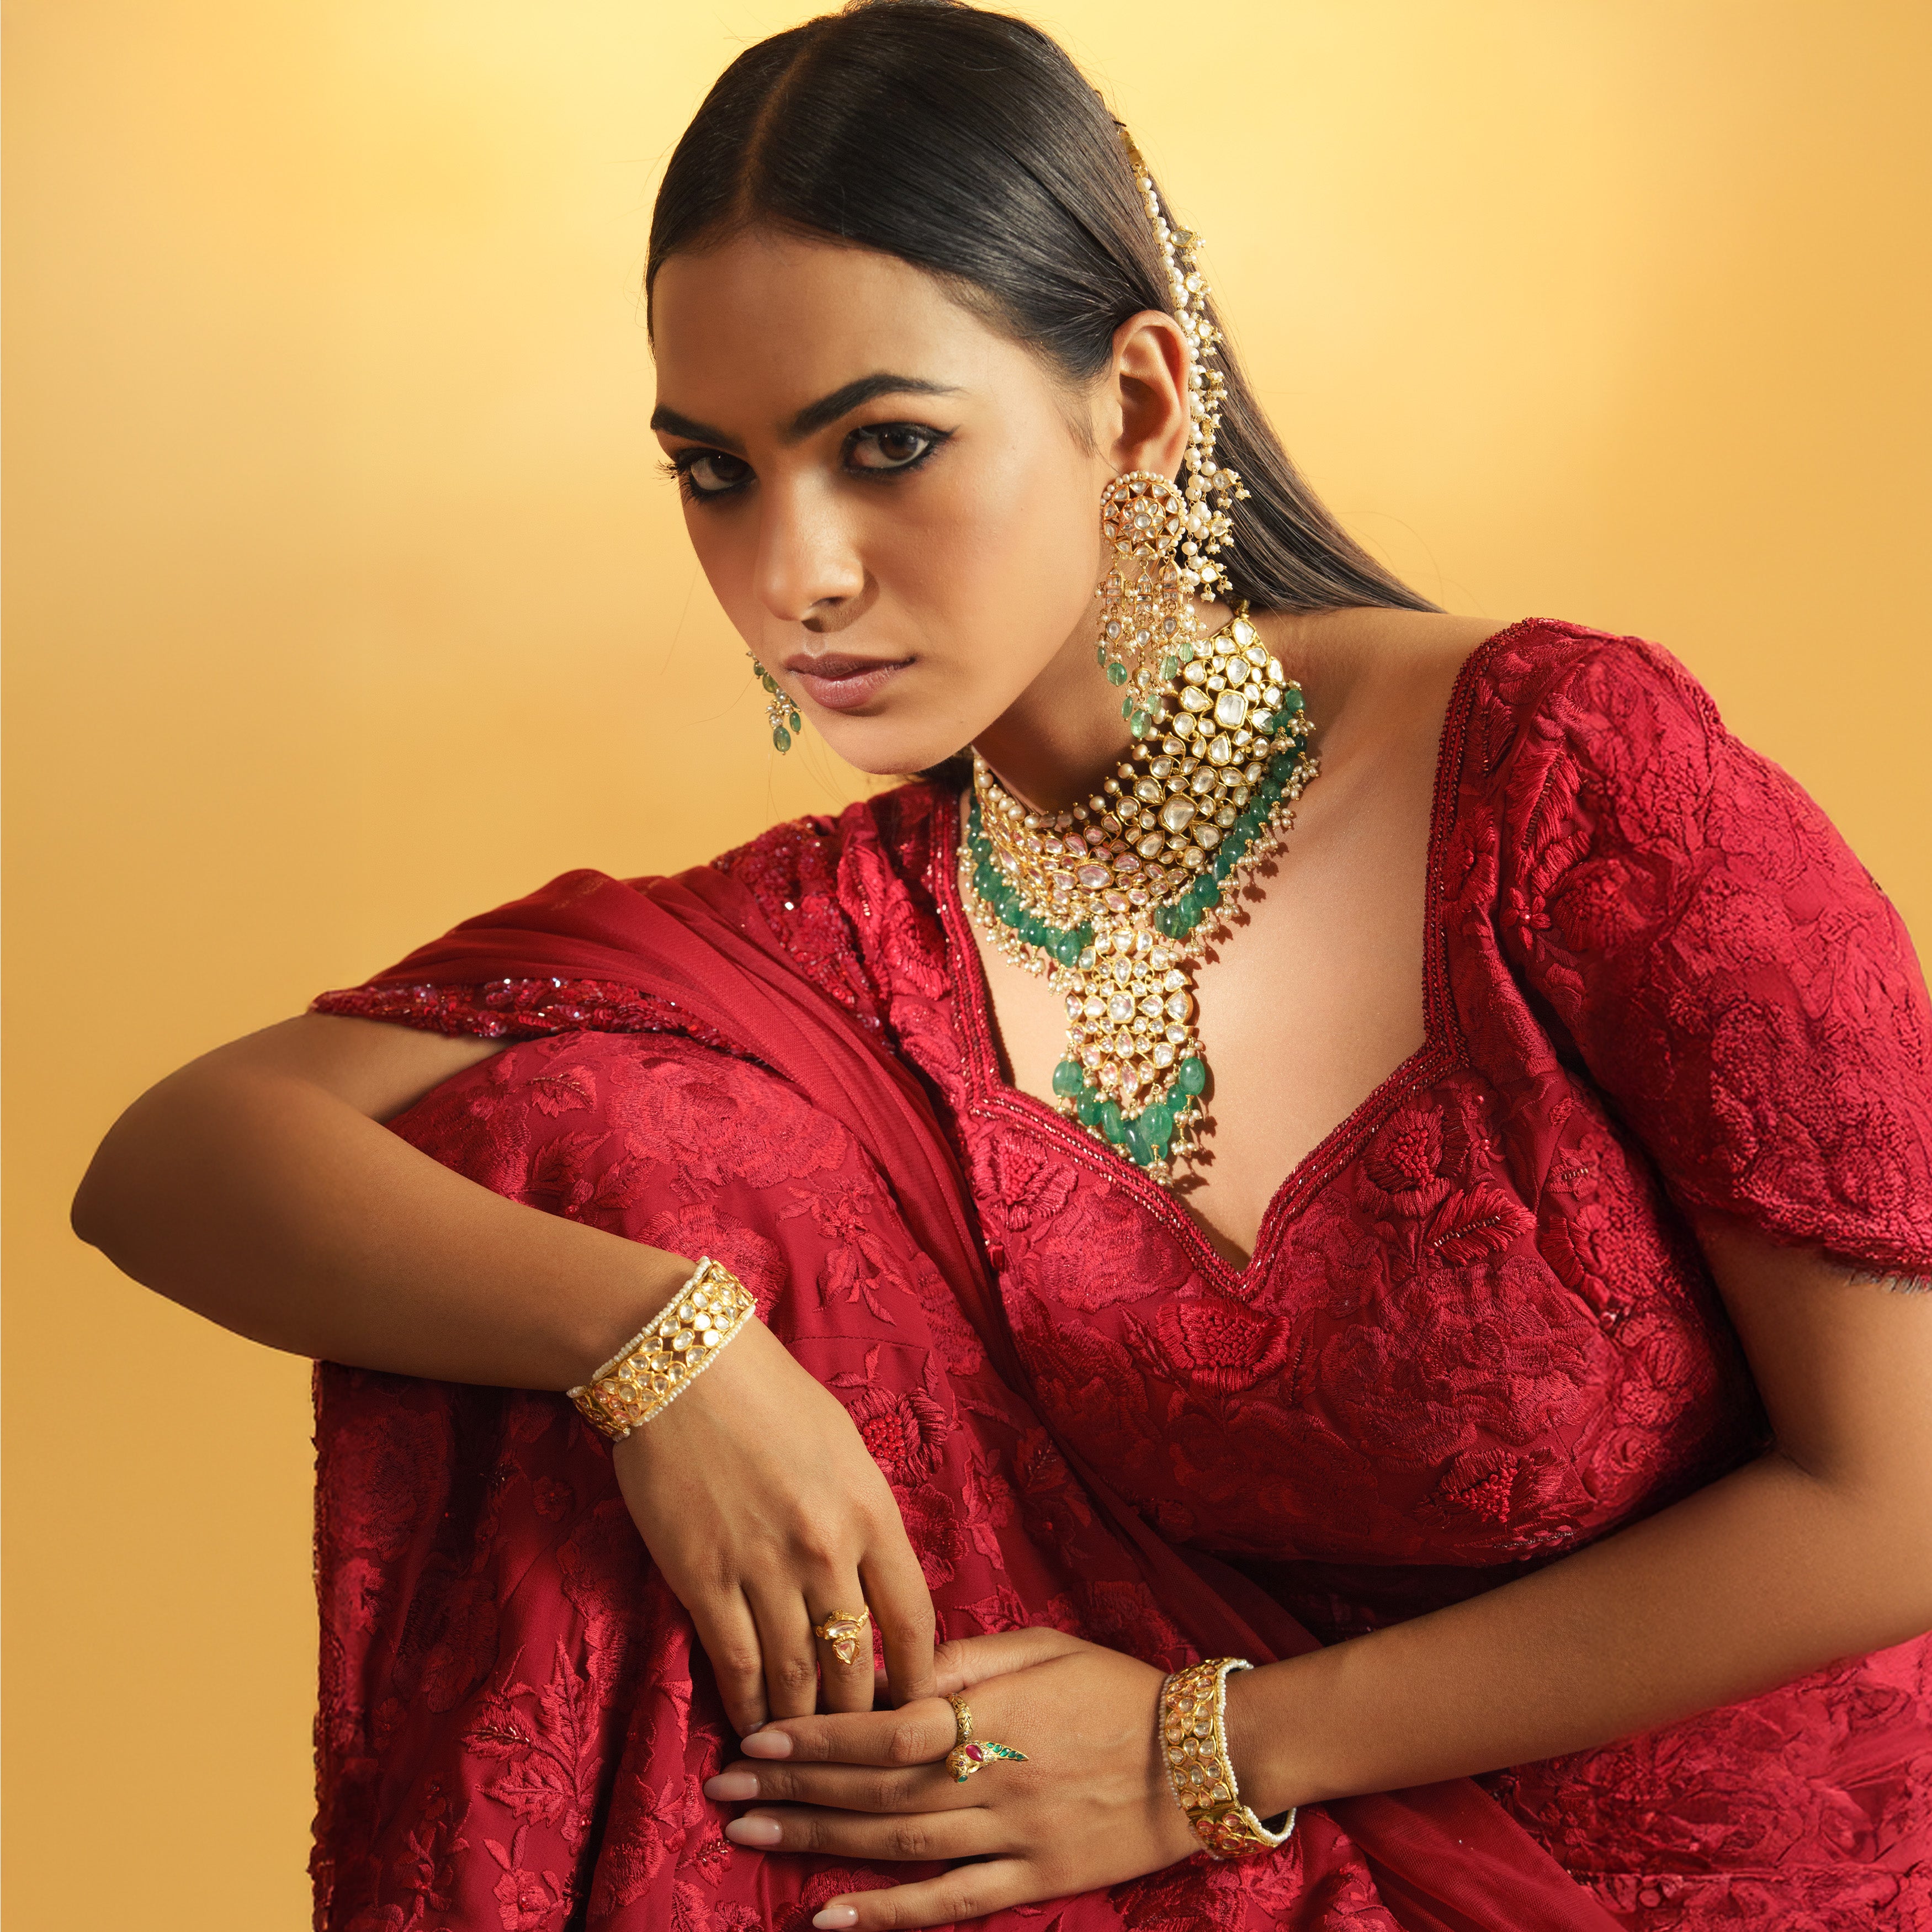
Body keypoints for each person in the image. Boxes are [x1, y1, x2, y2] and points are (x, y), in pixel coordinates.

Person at [71, 4, 1932, 1928]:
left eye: (884, 447)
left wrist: (1215, 1753)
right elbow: (184, 1153)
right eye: (712, 474)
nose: (793, 571)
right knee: (590, 1129)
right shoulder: (846, 934)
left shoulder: (1553, 775)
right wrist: (657, 1345)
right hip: (1190, 1877)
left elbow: (1907, 1486)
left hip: (1732, 1872)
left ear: (1131, 400)